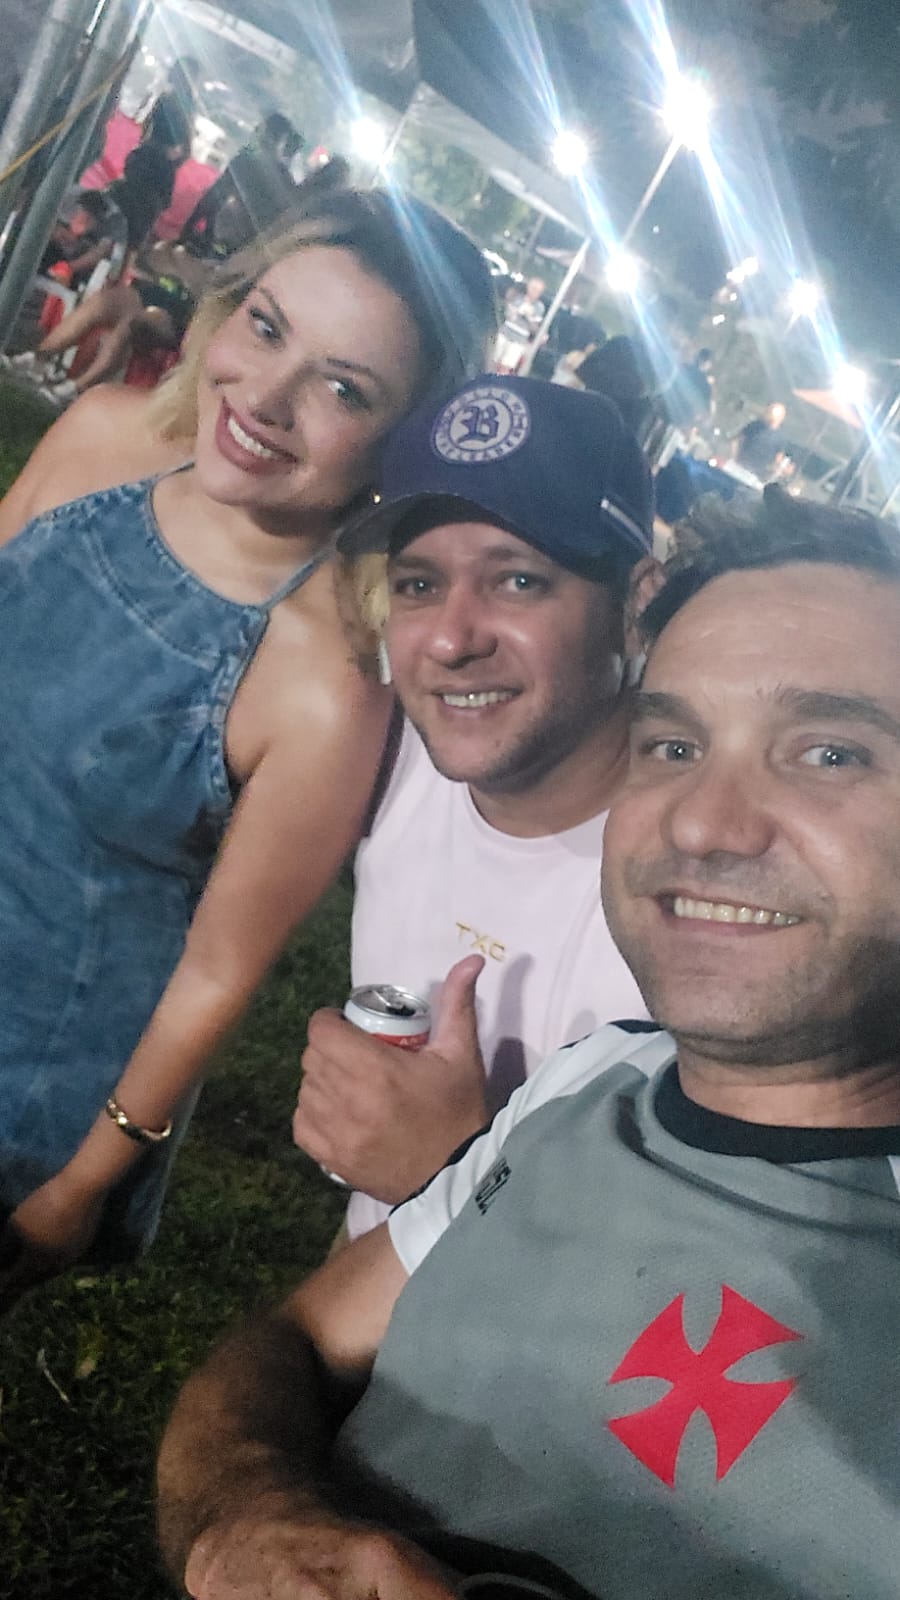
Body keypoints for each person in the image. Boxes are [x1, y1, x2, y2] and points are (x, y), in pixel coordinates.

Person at [158, 485, 900, 1600]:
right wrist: (248, 1518)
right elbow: (294, 1341)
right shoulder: (594, 1078)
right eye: (673, 743)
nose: (702, 820)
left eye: (830, 753)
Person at [0, 188, 497, 1308]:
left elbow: (219, 972)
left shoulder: (325, 681)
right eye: (267, 328)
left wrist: (82, 1183)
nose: (266, 398)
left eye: (343, 388)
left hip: (26, 1084)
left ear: (402, 447)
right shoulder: (102, 438)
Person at [293, 375, 653, 1234]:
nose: (453, 640)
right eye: (419, 586)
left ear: (635, 609)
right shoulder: (385, 759)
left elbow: (685, 1281)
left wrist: (447, 1175)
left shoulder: (696, 897)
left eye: (518, 581)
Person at [180, 113, 305, 255]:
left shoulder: (245, 162)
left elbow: (213, 198)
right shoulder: (285, 181)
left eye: (260, 130)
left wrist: (188, 232)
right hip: (253, 251)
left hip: (228, 243)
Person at [493, 277, 546, 373]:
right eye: (533, 288)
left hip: (519, 340)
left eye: (538, 291)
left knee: (506, 367)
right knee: (493, 360)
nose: (534, 292)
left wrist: (530, 317)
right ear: (528, 287)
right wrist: (515, 312)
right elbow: (506, 313)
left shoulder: (539, 307)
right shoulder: (517, 297)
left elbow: (534, 329)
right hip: (504, 333)